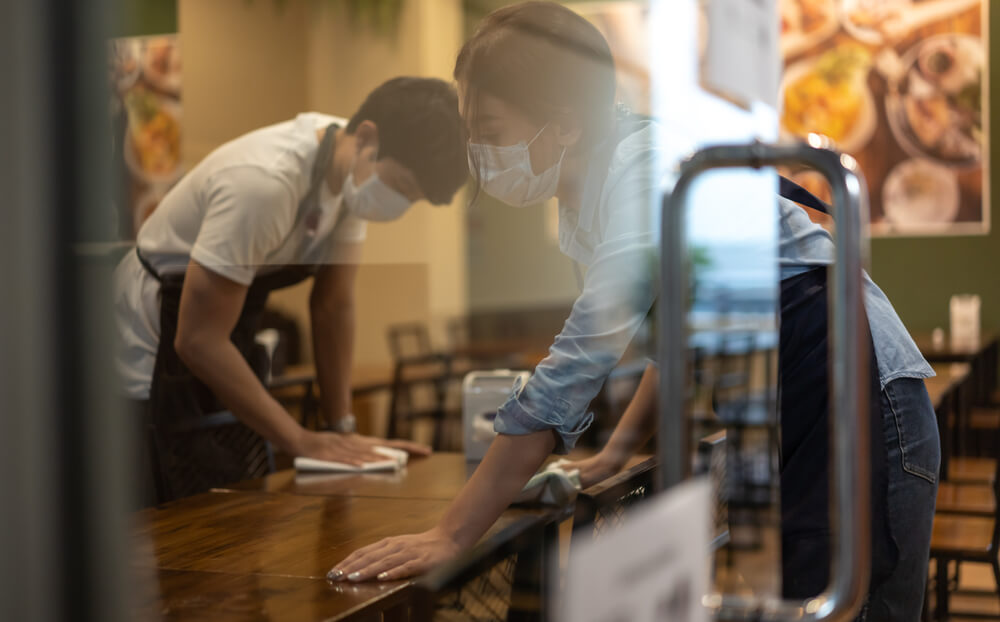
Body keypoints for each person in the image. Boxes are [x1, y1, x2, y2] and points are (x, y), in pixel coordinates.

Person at [329, 5, 939, 620]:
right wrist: (614, 454)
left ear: (563, 125)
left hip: (850, 388)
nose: (478, 151)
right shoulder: (585, 200)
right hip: (786, 398)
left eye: (487, 127)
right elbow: (665, 341)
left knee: (847, 608)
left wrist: (453, 534)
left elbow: (567, 376)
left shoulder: (641, 176)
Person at [114, 77, 467, 502]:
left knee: (228, 501)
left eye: (413, 198)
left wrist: (341, 432)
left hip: (219, 337)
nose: (399, 204)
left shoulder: (351, 173)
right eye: (403, 187)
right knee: (165, 510)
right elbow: (197, 339)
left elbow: (333, 305)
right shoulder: (265, 183)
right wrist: (301, 440)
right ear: (368, 137)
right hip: (149, 348)